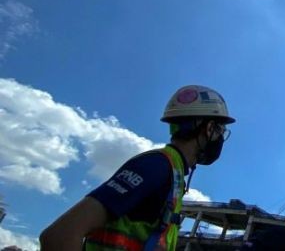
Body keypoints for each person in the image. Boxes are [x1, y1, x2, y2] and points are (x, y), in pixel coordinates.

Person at [40, 85, 235, 251]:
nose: (220, 139)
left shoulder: (172, 173)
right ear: (209, 129)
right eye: (220, 130)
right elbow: (58, 236)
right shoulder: (156, 167)